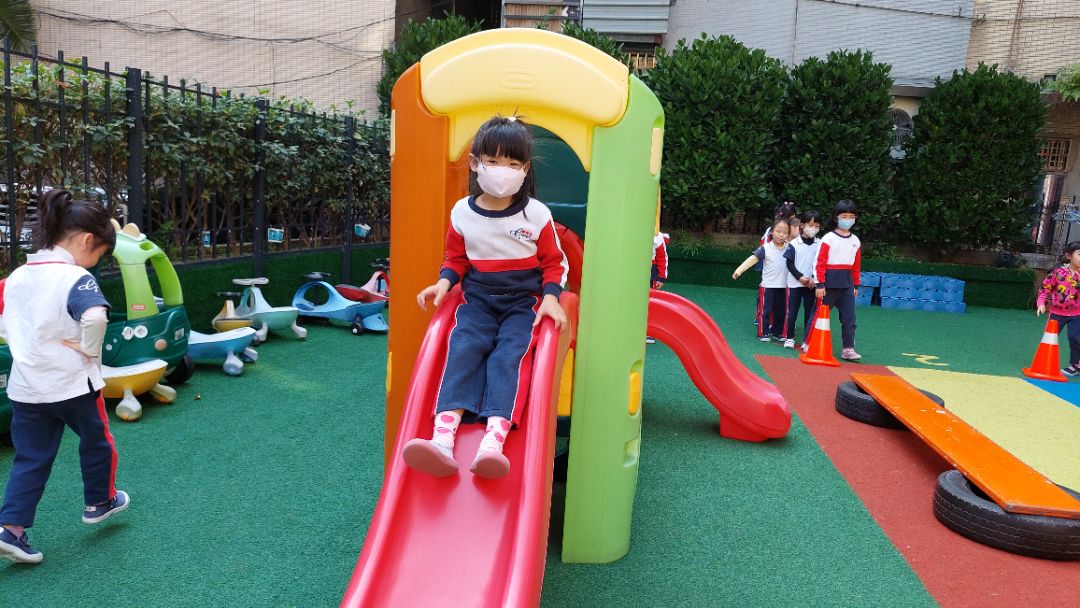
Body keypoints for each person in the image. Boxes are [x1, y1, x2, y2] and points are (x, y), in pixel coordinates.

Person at [404, 116, 568, 480]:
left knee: (508, 355)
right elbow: (456, 259)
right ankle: (443, 437)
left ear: (525, 169)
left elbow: (553, 263)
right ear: (475, 163)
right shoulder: (463, 212)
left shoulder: (535, 214)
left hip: (523, 301)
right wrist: (443, 283)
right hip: (477, 298)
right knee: (463, 347)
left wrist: (551, 297)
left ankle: (493, 440)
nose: (502, 171)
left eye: (512, 164)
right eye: (493, 161)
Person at [0, 189, 127, 565]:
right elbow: (95, 316)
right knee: (97, 441)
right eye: (99, 254)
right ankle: (100, 502)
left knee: (30, 458)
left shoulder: (17, 276)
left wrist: (23, 341)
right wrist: (88, 349)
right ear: (87, 240)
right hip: (73, 385)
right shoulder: (76, 277)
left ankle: (11, 529)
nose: (95, 262)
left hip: (27, 388)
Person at [814, 199, 862, 360]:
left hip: (847, 285)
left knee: (849, 318)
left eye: (851, 216)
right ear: (836, 217)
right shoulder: (828, 238)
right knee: (819, 314)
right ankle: (810, 342)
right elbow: (819, 262)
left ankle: (848, 349)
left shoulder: (855, 241)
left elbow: (856, 265)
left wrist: (856, 285)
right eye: (844, 216)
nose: (847, 220)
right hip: (828, 285)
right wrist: (820, 284)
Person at [734, 218, 791, 342]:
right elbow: (752, 259)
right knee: (765, 311)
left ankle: (777, 332)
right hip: (767, 286)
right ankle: (763, 333)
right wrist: (739, 270)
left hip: (784, 286)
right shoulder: (765, 248)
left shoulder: (789, 248)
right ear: (771, 232)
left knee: (781, 312)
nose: (781, 235)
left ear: (788, 235)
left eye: (785, 232)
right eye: (778, 231)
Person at [1036, 241, 1080, 376]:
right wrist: (1041, 303)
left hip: (1077, 313)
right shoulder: (1057, 273)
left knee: (1076, 338)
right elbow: (1045, 288)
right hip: (1056, 313)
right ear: (1069, 256)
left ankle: (1076, 365)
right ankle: (1043, 361)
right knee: (1050, 336)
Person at [784, 211, 822, 350]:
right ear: (802, 225)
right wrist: (800, 277)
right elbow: (789, 264)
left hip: (812, 285)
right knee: (792, 312)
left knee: (809, 313)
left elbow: (821, 264)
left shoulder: (820, 244)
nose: (814, 228)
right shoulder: (794, 244)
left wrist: (813, 279)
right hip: (795, 284)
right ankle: (789, 337)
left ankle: (807, 341)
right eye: (811, 225)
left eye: (817, 226)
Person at [755, 202, 798, 326]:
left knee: (776, 293)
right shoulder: (777, 230)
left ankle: (773, 319)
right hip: (770, 262)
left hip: (780, 264)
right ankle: (764, 318)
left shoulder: (785, 229)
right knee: (768, 291)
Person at [646, 229, 670, 344]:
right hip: (634, 268)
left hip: (650, 269)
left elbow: (662, 257)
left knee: (649, 300)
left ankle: (649, 331)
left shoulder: (657, 237)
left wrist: (661, 277)